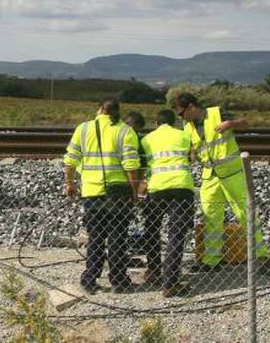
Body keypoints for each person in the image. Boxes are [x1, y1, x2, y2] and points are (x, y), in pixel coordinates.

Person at [173, 92, 270, 273]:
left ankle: (262, 257)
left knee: (245, 213)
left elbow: (245, 122)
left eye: (181, 113)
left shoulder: (217, 113)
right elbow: (194, 150)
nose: (181, 117)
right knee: (211, 217)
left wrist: (231, 124)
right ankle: (211, 261)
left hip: (232, 173)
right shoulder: (187, 126)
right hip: (210, 176)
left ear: (191, 107)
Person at [63, 97, 141, 294]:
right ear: (117, 112)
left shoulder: (83, 129)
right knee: (118, 237)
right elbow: (131, 166)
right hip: (118, 193)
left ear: (99, 109)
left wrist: (70, 183)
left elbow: (71, 160)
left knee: (96, 236)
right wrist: (134, 192)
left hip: (92, 193)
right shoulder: (125, 131)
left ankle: (90, 279)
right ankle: (119, 280)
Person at [139, 109, 195, 297]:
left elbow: (143, 165)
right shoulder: (184, 135)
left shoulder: (147, 139)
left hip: (156, 189)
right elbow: (192, 158)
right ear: (173, 123)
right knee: (176, 235)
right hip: (181, 187)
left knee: (152, 229)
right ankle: (170, 283)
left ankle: (154, 270)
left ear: (156, 123)